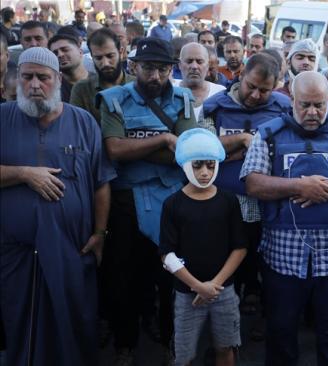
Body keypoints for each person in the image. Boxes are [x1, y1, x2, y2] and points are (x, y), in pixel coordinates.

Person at [241, 70, 328, 366]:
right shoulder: (268, 134)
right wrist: (298, 186)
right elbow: (253, 182)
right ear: (291, 99)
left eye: (319, 104)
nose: (313, 112)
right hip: (282, 257)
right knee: (281, 332)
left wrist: (323, 189)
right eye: (305, 104)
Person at [0, 46, 115, 366]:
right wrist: (24, 174)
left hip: (72, 248)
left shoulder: (84, 123)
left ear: (59, 79)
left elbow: (102, 182)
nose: (34, 84)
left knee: (73, 323)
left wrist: (100, 233)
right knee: (19, 321)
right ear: (17, 78)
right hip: (15, 252)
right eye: (27, 77)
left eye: (43, 77)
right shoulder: (2, 118)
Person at [97, 37, 198, 365]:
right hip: (125, 201)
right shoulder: (113, 99)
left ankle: (171, 340)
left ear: (172, 69)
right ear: (133, 66)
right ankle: (125, 343)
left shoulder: (182, 98)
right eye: (149, 68)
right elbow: (113, 150)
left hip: (171, 199)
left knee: (171, 277)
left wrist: (141, 149)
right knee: (123, 275)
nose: (155, 76)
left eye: (163, 69)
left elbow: (187, 154)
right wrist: (165, 139)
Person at [203, 53, 291, 340]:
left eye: (264, 90)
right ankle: (222, 333)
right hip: (224, 201)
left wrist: (233, 154)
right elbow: (203, 149)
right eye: (251, 86)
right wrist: (240, 140)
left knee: (268, 262)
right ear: (240, 76)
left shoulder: (284, 108)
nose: (255, 95)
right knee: (224, 263)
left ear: (276, 86)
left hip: (268, 202)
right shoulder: (215, 107)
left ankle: (267, 316)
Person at [160, 128, 247, 366]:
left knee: (226, 346)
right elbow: (167, 254)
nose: (205, 172)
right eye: (197, 165)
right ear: (185, 165)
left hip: (224, 290)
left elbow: (240, 247)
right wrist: (198, 286)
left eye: (210, 165)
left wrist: (213, 286)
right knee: (183, 353)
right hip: (187, 293)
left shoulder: (228, 201)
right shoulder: (172, 204)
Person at [70, 28, 134, 124]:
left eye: (110, 56)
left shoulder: (138, 86)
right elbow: (77, 128)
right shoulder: (82, 89)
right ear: (91, 56)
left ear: (121, 52)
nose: (105, 63)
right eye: (98, 58)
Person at [174, 42, 226, 131]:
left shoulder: (220, 93)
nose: (194, 66)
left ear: (208, 65)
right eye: (189, 61)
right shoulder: (170, 89)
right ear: (179, 64)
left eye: (199, 62)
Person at [48, 34, 89, 103]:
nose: (60, 55)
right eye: (55, 53)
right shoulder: (53, 90)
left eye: (65, 50)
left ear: (80, 52)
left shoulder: (101, 81)